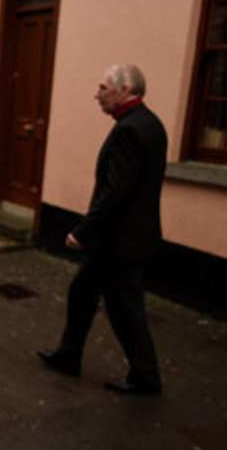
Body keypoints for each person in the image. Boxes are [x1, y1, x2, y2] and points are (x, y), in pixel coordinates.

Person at [38, 63, 168, 395]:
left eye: (103, 89)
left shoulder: (129, 130)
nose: (97, 95)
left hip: (120, 241)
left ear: (126, 91)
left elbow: (117, 191)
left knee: (125, 307)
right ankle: (69, 354)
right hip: (126, 236)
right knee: (82, 292)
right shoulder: (150, 124)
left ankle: (146, 375)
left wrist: (83, 231)